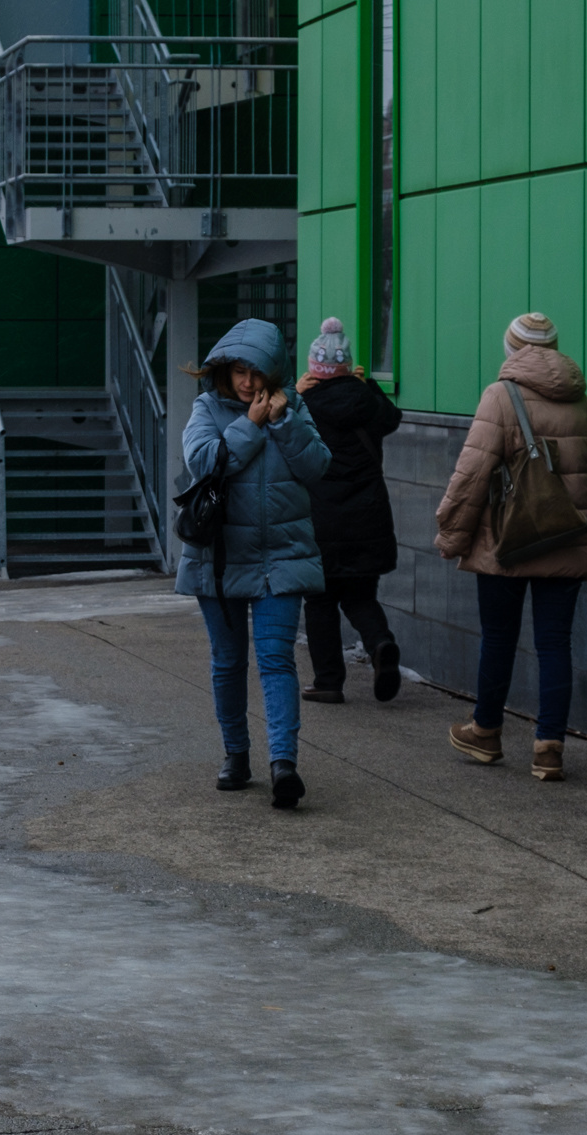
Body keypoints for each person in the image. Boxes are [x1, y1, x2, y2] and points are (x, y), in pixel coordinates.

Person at [435, 312, 587, 782]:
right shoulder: (581, 400)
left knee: (499, 637)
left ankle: (486, 732)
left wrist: (452, 534)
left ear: (512, 351)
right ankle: (549, 747)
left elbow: (472, 475)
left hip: (505, 541)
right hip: (567, 535)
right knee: (555, 644)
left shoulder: (500, 395)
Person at [178, 319, 332, 809]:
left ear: (274, 371)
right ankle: (236, 754)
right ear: (225, 371)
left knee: (276, 660)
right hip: (218, 560)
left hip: (281, 558)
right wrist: (252, 425)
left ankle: (283, 763)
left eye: (256, 371)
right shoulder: (208, 408)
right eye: (239, 371)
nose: (247, 382)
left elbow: (317, 467)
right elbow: (202, 461)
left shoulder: (296, 408)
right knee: (228, 662)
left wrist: (285, 422)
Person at [294, 317, 405, 704]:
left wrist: (294, 393)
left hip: (320, 520)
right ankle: (380, 644)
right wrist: (366, 385)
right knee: (360, 595)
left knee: (320, 600)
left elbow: (277, 437)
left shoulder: (304, 406)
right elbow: (392, 418)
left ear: (314, 368)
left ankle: (327, 681)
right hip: (368, 518)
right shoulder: (367, 403)